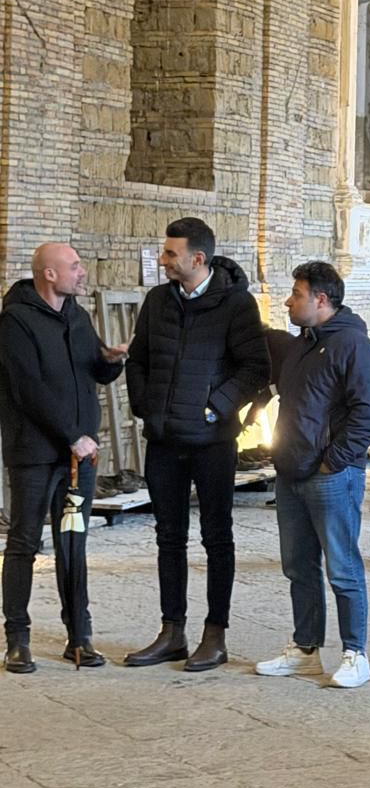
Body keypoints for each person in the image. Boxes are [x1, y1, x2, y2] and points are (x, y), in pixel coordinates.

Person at [125, 218, 269, 672]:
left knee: (216, 536)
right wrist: (148, 406)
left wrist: (213, 409)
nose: (163, 260)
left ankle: (215, 635)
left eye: (170, 254)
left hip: (211, 442)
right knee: (168, 537)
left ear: (197, 259)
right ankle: (172, 632)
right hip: (165, 440)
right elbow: (139, 359)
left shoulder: (237, 306)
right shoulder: (157, 301)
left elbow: (254, 369)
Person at [256, 262, 370, 690]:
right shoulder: (302, 346)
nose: (289, 301)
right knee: (298, 567)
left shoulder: (353, 345)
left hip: (331, 477)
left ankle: (355, 654)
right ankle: (306, 649)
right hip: (291, 472)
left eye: (296, 293)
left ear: (321, 300)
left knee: (342, 568)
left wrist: (335, 460)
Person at [0, 244, 128, 674]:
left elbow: (90, 368)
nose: (83, 272)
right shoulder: (15, 321)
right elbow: (28, 389)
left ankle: (80, 637)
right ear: (49, 275)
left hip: (79, 457)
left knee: (73, 544)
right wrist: (72, 436)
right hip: (36, 455)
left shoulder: (77, 315)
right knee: (22, 544)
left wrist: (112, 362)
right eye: (74, 266)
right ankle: (17, 639)